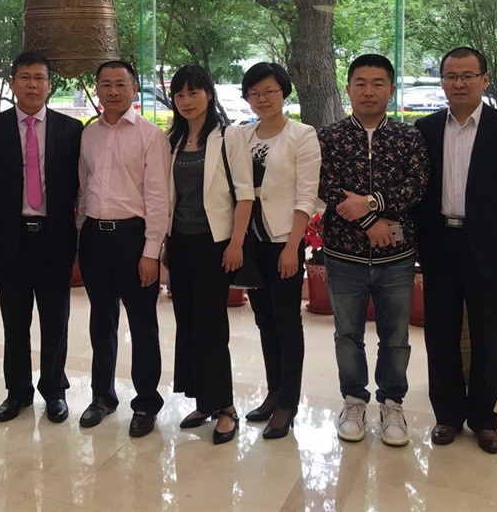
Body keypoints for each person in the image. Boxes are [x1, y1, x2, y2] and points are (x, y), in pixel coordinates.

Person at [416, 46, 497, 454]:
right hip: (439, 243)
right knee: (440, 334)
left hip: (489, 245)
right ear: (442, 82)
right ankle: (447, 416)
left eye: (468, 75)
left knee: (488, 336)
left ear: (485, 79)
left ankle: (484, 419)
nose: (459, 83)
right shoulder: (426, 128)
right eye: (451, 76)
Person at [317, 53, 429, 447]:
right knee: (347, 334)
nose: (368, 91)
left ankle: (392, 403)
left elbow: (416, 186)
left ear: (391, 89)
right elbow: (325, 186)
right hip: (343, 255)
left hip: (396, 258)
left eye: (378, 83)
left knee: (395, 335)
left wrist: (371, 203)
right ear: (348, 88)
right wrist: (370, 222)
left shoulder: (408, 137)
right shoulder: (329, 137)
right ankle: (353, 401)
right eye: (360, 83)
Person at [0, 51, 82, 424]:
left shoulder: (71, 130)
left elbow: (77, 184)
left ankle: (54, 391)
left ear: (50, 84)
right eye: (25, 77)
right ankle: (17, 391)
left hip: (54, 238)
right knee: (14, 321)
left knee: (55, 320)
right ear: (13, 83)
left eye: (39, 78)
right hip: (11, 238)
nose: (32, 85)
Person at [76, 60, 171, 438]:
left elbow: (158, 197)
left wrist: (151, 252)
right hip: (95, 237)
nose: (112, 91)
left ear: (134, 88)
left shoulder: (150, 135)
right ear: (97, 89)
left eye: (120, 84)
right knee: (101, 320)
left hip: (134, 238)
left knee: (143, 324)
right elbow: (84, 188)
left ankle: (146, 402)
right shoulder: (89, 134)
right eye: (105, 84)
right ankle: (102, 396)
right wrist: (81, 235)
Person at [165, 64, 253, 445]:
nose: (186, 101)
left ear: (209, 94)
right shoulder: (173, 139)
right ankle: (204, 401)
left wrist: (236, 243)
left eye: (193, 92)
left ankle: (226, 408)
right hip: (179, 243)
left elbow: (245, 195)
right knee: (187, 323)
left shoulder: (229, 136)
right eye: (179, 94)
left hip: (215, 244)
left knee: (212, 325)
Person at [237, 62, 321, 440]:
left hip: (283, 241)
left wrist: (292, 247)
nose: (262, 98)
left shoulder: (302, 135)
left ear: (283, 92)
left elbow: (307, 196)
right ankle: (273, 392)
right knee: (264, 321)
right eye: (254, 93)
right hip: (251, 243)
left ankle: (288, 402)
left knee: (287, 322)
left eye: (269, 91)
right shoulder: (241, 135)